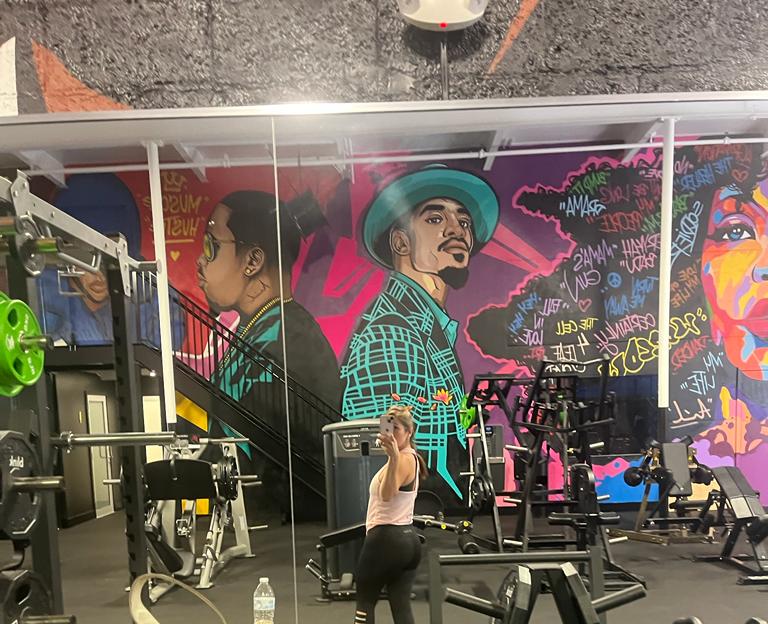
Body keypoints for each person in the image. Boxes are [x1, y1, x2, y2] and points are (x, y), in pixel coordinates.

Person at [341, 164, 499, 502]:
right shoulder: (392, 332)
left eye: (464, 222)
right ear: (400, 242)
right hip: (416, 513)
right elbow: (383, 446)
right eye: (435, 218)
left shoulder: (426, 326)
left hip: (431, 511)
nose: (457, 229)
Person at [195, 189, 342, 519]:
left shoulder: (290, 338)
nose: (200, 262)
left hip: (281, 523)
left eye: (211, 247)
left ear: (253, 261)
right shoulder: (264, 329)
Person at [354, 405, 427, 624]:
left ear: (409, 432)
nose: (392, 433)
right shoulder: (407, 458)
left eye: (397, 429)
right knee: (401, 606)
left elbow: (387, 495)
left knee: (365, 603)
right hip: (407, 542)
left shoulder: (403, 459)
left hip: (386, 541)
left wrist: (394, 457)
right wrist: (392, 457)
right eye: (389, 427)